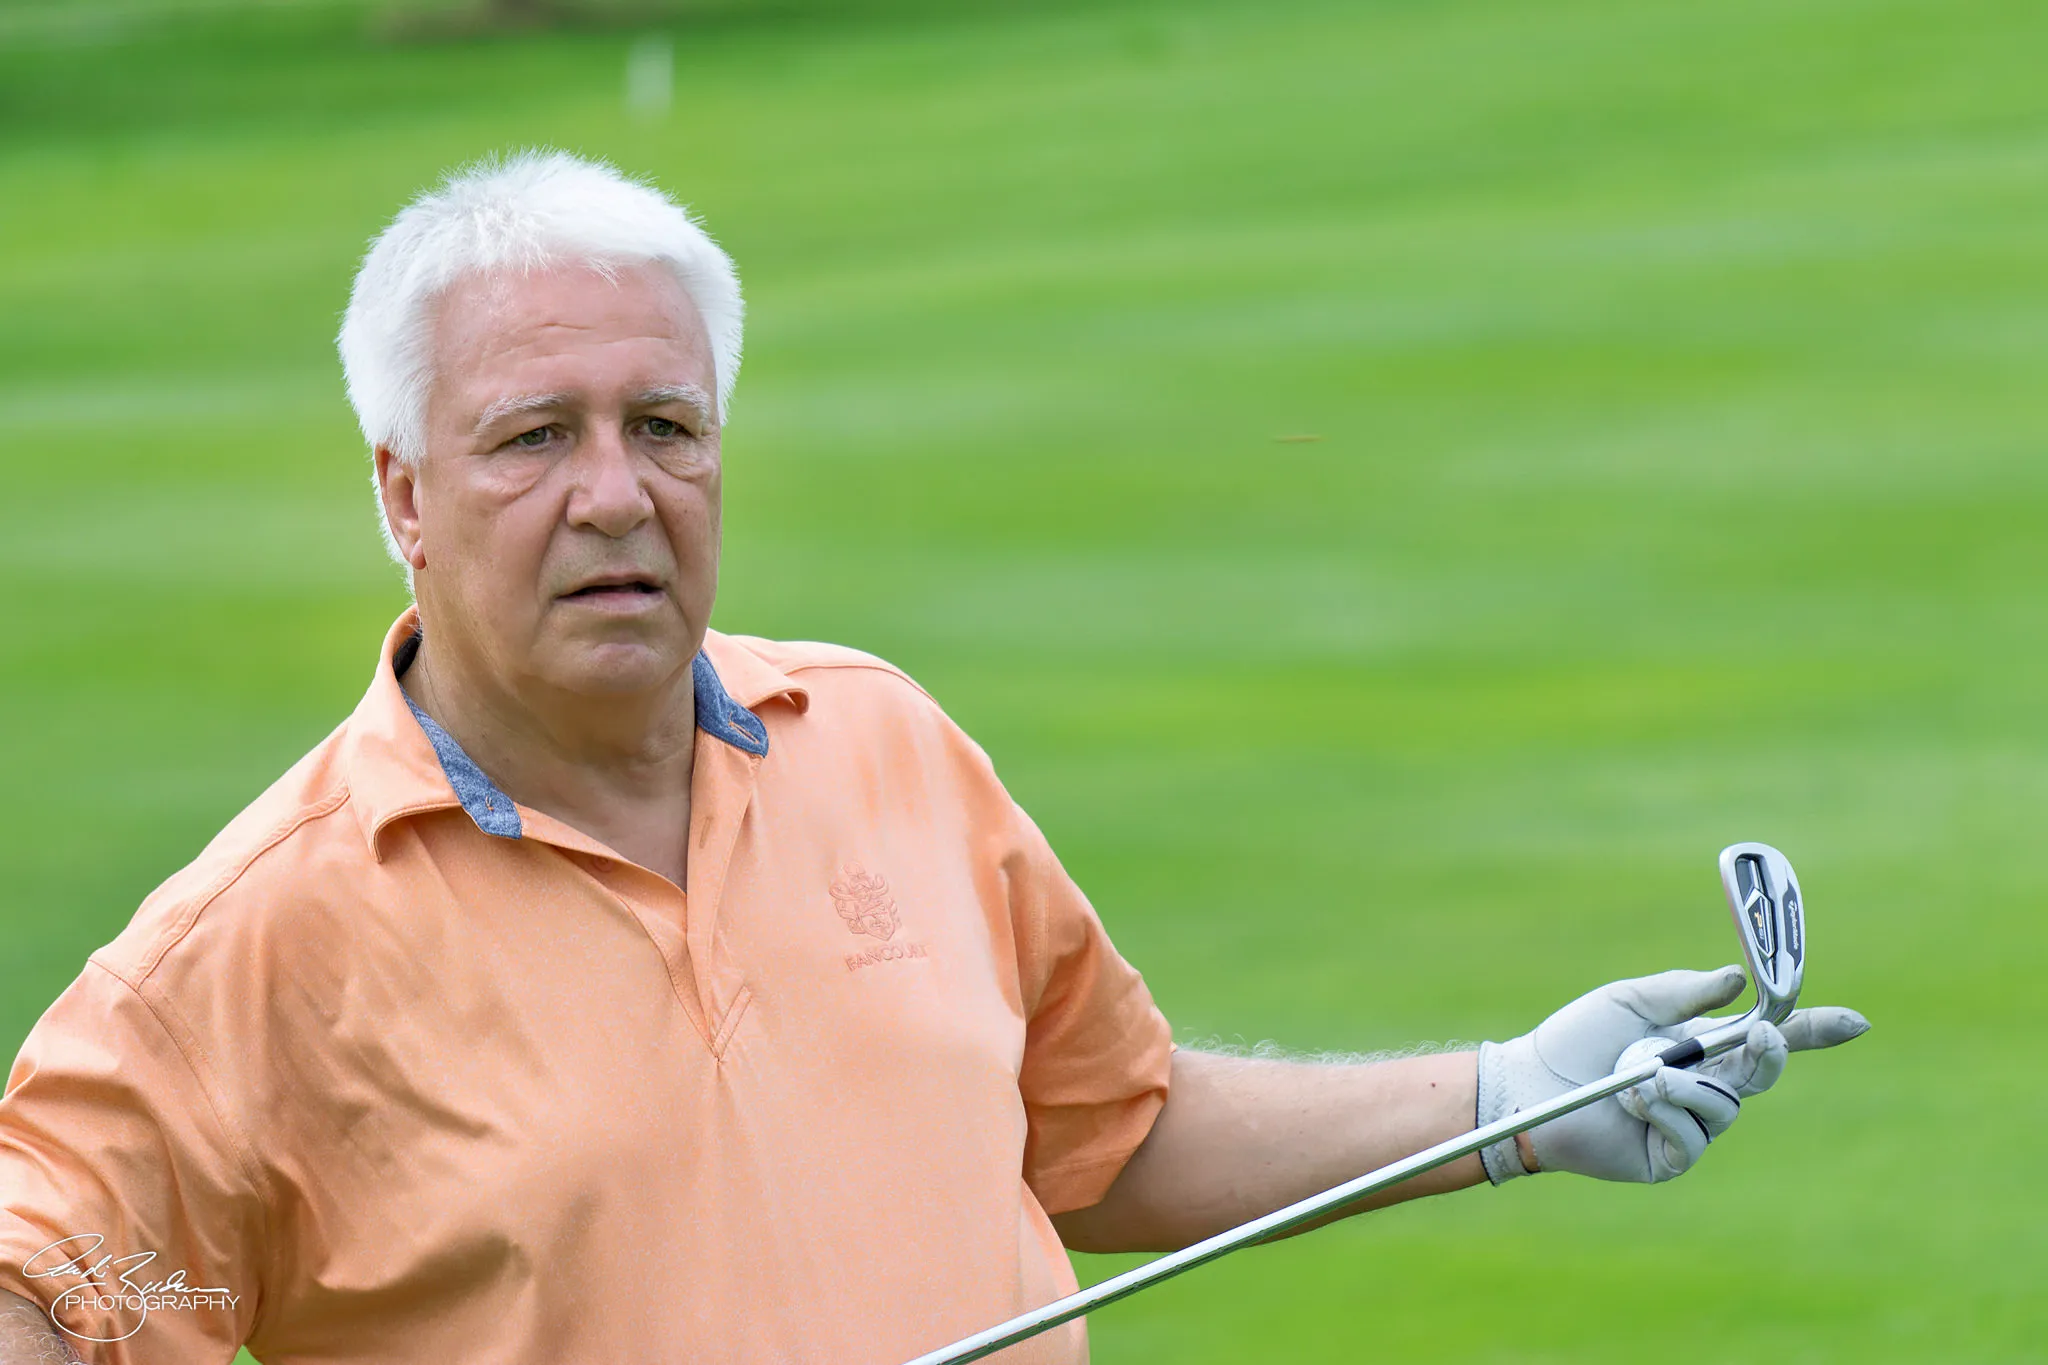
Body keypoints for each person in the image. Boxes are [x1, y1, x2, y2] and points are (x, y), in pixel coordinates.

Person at [0, 152, 1867, 1364]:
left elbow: (1099, 1125)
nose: (617, 495)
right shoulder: (253, 953)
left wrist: (1512, 1099)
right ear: (404, 495)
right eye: (533, 438)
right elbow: (64, 1298)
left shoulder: (873, 741)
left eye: (667, 426)